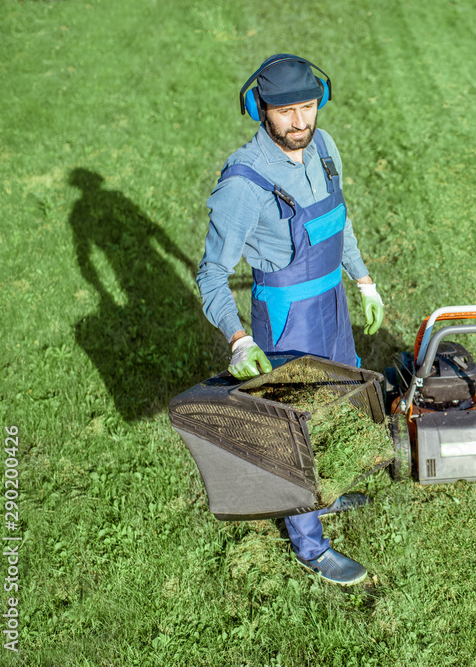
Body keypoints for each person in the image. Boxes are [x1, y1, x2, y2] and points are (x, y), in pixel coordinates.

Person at [196, 53, 384, 586]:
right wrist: (237, 340)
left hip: (333, 306)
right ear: (260, 108)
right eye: (285, 112)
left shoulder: (324, 148)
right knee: (291, 426)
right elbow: (211, 274)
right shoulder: (243, 183)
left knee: (338, 403)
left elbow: (337, 219)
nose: (299, 123)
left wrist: (363, 280)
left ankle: (324, 494)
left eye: (307, 107)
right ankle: (308, 543)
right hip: (285, 317)